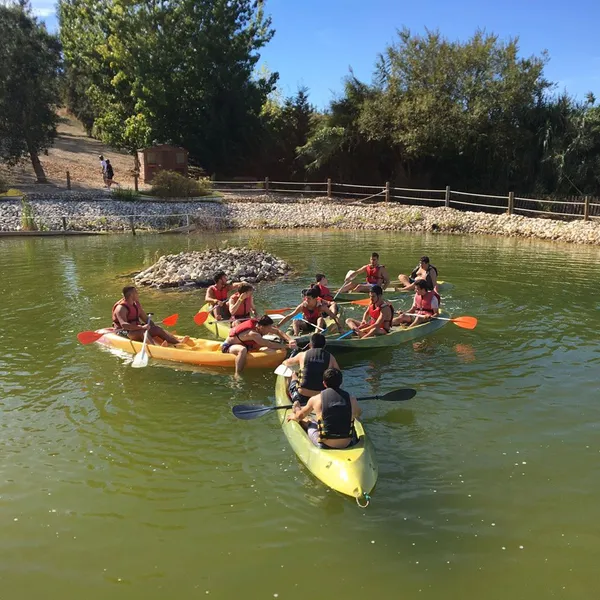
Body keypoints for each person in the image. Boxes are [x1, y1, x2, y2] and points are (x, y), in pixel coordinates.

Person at [287, 368, 362, 449]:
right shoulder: (352, 400)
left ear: (324, 383)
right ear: (341, 382)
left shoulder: (315, 399)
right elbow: (358, 413)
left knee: (311, 422)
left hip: (325, 445)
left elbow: (299, 416)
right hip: (347, 444)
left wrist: (297, 409)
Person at [112, 285, 190, 346]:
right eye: (136, 293)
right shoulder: (121, 308)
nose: (138, 294)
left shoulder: (136, 305)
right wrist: (141, 327)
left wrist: (153, 326)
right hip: (124, 332)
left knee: (157, 329)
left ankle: (178, 342)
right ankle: (155, 347)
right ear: (132, 295)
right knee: (142, 331)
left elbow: (145, 318)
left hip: (136, 329)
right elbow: (124, 325)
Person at [222, 315, 296, 376]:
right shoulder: (253, 333)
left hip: (245, 344)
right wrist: (288, 346)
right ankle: (237, 374)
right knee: (242, 350)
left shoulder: (261, 326)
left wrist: (289, 340)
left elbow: (277, 331)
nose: (270, 330)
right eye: (268, 328)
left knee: (271, 344)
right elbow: (268, 344)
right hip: (229, 346)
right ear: (261, 327)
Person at [282, 333, 340, 405]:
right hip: (321, 396)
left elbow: (288, 362)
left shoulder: (302, 354)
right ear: (324, 345)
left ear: (310, 345)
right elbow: (338, 375)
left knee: (293, 374)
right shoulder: (331, 357)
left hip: (302, 396)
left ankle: (289, 397)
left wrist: (284, 362)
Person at [278, 288, 343, 336]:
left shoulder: (322, 307)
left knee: (320, 319)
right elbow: (289, 316)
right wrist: (278, 326)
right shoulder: (302, 306)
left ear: (315, 299)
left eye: (309, 299)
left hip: (319, 326)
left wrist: (340, 327)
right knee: (295, 318)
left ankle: (315, 335)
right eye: (306, 298)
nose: (307, 300)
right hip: (307, 324)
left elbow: (334, 317)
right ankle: (296, 335)